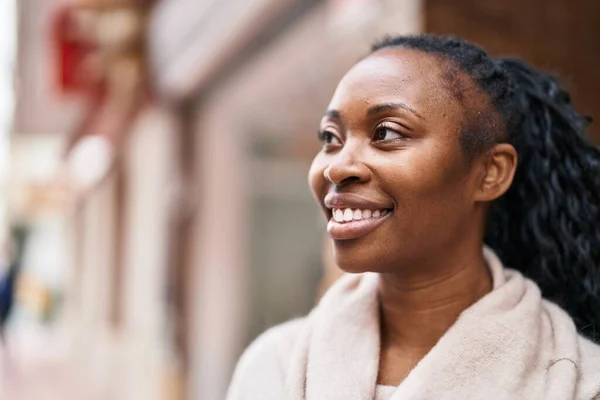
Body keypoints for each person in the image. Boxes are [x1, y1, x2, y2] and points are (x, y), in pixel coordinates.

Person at [227, 34, 600, 399]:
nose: (337, 167)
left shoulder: (581, 381)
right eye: (330, 137)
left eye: (386, 132)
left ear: (490, 173)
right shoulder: (273, 368)